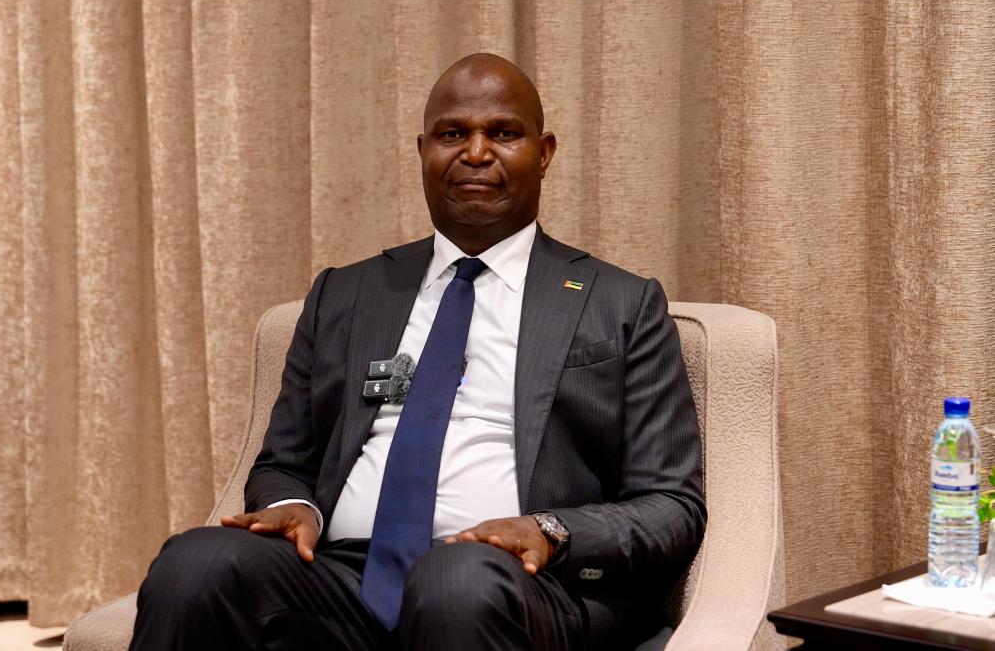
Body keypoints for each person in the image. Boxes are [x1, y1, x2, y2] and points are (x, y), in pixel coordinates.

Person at [129, 53, 705, 651]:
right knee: (195, 564)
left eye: (503, 134)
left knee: (455, 581)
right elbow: (284, 462)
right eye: (452, 134)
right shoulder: (346, 295)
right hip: (345, 577)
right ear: (422, 150)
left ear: (544, 153)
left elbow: (672, 504)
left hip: (523, 584)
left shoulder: (620, 302)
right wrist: (295, 505)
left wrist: (549, 530)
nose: (475, 153)